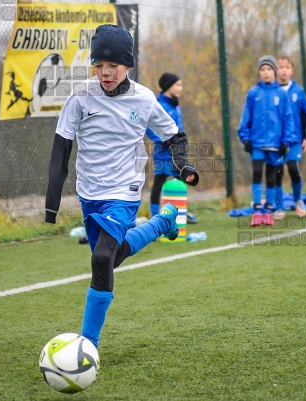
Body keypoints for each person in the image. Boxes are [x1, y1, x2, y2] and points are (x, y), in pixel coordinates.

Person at [44, 24, 199, 348]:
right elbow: (61, 147)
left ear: (127, 64)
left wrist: (183, 164)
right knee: (110, 259)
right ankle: (162, 223)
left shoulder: (143, 99)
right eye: (99, 66)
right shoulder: (80, 97)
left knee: (101, 259)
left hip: (125, 190)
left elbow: (174, 135)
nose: (105, 72)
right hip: (89, 193)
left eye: (112, 66)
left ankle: (88, 345)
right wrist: (51, 201)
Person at [238, 55, 294, 226]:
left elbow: (288, 119)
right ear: (259, 72)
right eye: (263, 69)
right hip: (257, 143)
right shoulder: (253, 93)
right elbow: (245, 116)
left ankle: (268, 212)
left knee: (271, 177)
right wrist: (245, 138)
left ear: (275, 72)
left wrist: (286, 141)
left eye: (269, 69)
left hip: (276, 144)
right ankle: (256, 211)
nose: (266, 73)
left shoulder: (281, 94)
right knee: (256, 173)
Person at [273, 56, 306, 219]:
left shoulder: (298, 91)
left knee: (293, 168)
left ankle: (298, 200)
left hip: (295, 139)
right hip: (275, 141)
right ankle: (279, 207)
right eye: (280, 67)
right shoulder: (271, 91)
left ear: (292, 70)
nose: (283, 70)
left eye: (286, 67)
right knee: (277, 173)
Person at [145, 73, 184, 217]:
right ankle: (155, 217)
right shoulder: (159, 105)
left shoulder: (176, 105)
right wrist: (166, 140)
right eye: (178, 85)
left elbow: (180, 129)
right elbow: (149, 128)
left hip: (177, 153)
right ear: (169, 87)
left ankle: (179, 214)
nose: (181, 88)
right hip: (163, 154)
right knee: (159, 184)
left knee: (181, 182)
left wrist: (180, 142)